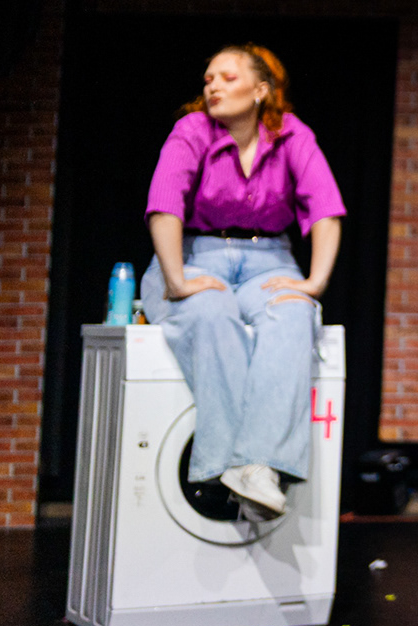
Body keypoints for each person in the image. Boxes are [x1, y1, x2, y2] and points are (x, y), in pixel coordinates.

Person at [138, 43, 346, 519]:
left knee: (293, 314)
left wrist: (314, 283)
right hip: (198, 252)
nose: (213, 86)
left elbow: (326, 209)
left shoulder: (291, 135)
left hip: (268, 258)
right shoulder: (192, 130)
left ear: (260, 90)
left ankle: (257, 468)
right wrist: (176, 280)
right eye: (208, 79)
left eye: (227, 78)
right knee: (209, 311)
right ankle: (232, 466)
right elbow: (164, 204)